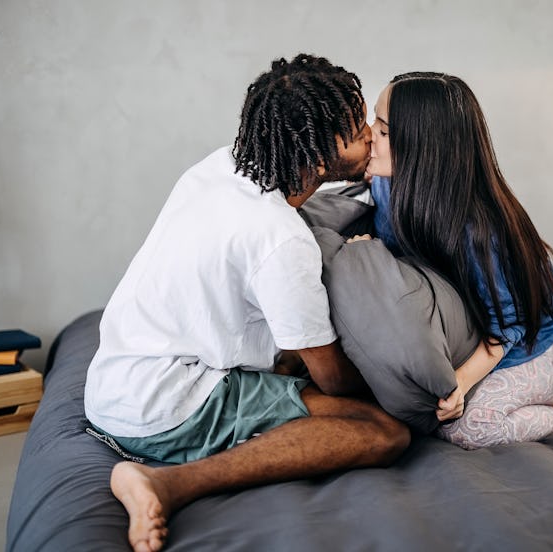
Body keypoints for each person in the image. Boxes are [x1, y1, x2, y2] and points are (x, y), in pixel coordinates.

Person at [84, 54, 410, 552]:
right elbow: (333, 378)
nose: (370, 133)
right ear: (317, 159)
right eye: (356, 128)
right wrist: (403, 380)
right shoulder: (282, 241)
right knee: (384, 432)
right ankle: (167, 483)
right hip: (166, 406)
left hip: (115, 379)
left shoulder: (225, 164)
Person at [358, 71, 553, 450]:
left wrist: (461, 385)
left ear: (424, 149)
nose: (369, 136)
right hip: (483, 328)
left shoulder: (480, 231)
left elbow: (509, 328)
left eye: (383, 132)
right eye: (374, 122)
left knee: (467, 429)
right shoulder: (386, 184)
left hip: (545, 336)